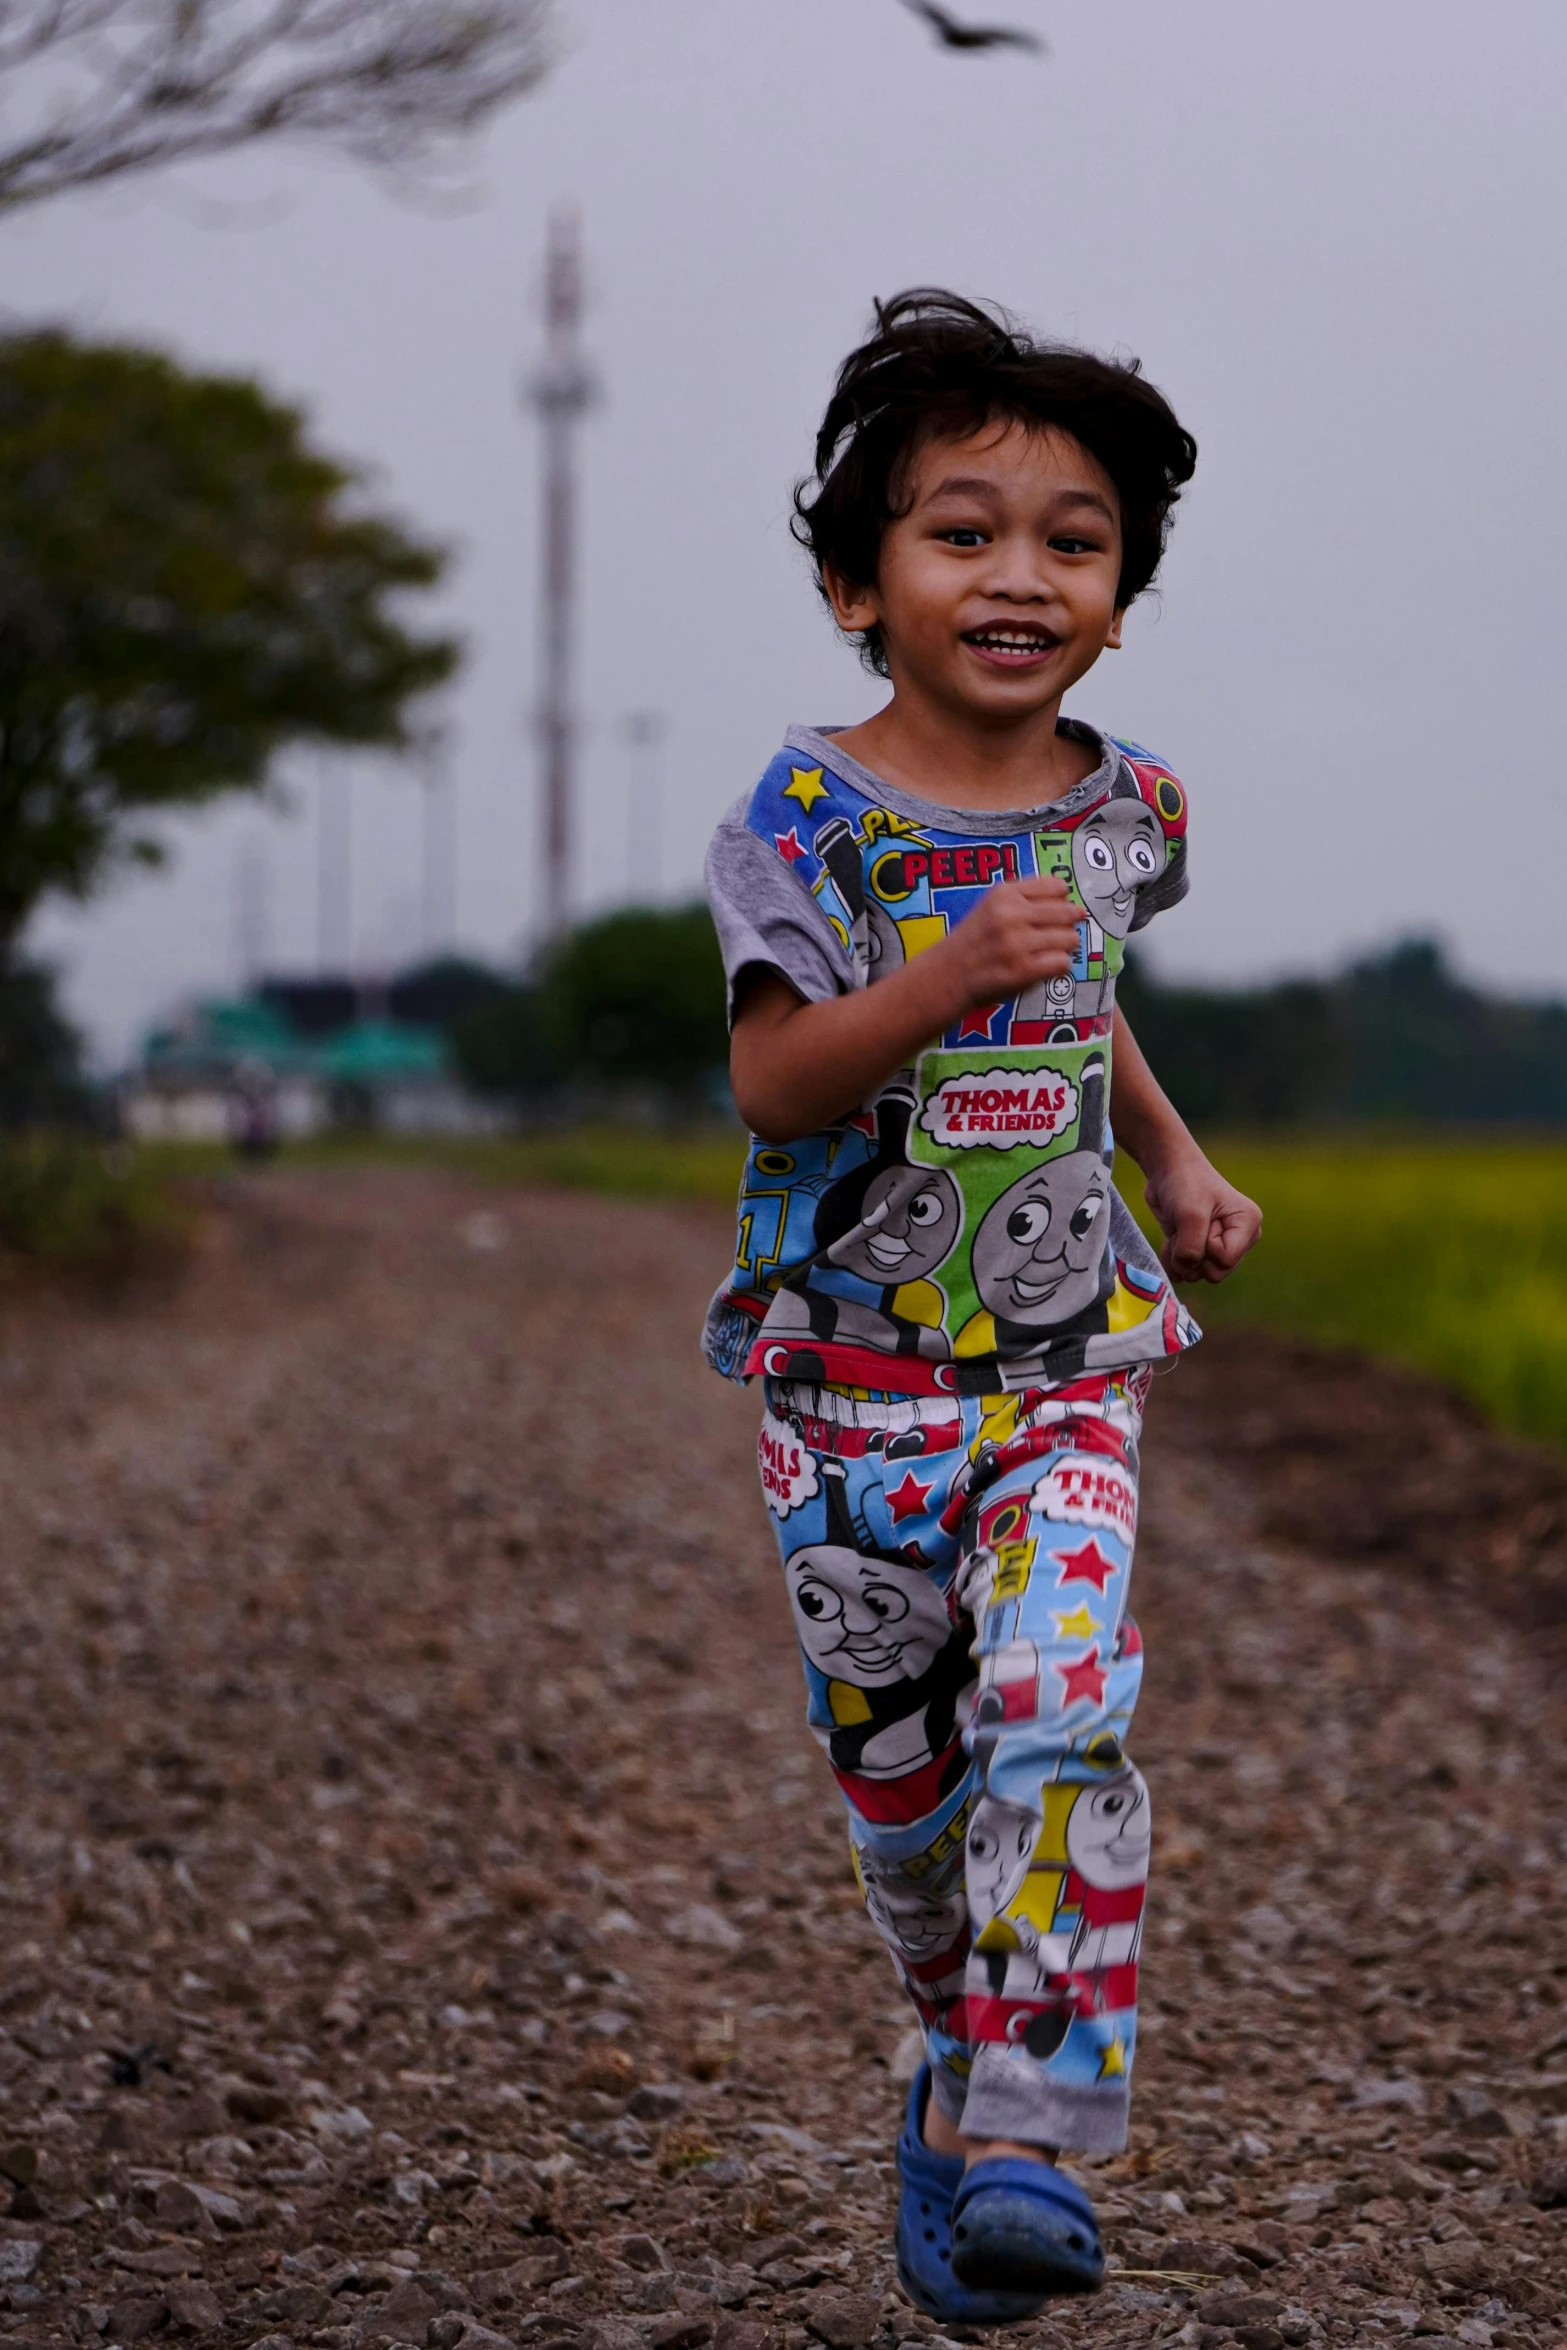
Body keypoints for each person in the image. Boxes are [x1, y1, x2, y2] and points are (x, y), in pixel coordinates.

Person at [702, 290, 1262, 2322]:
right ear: (862, 582)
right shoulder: (805, 820)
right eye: (964, 529)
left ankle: (1035, 2117)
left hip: (1063, 1369)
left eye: (1076, 537)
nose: (1022, 572)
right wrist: (938, 975)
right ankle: (954, 2042)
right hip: (844, 1389)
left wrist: (1174, 1157)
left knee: (1063, 1698)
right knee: (911, 1800)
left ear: (1120, 592)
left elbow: (1079, 994)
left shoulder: (1133, 810)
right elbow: (774, 1078)